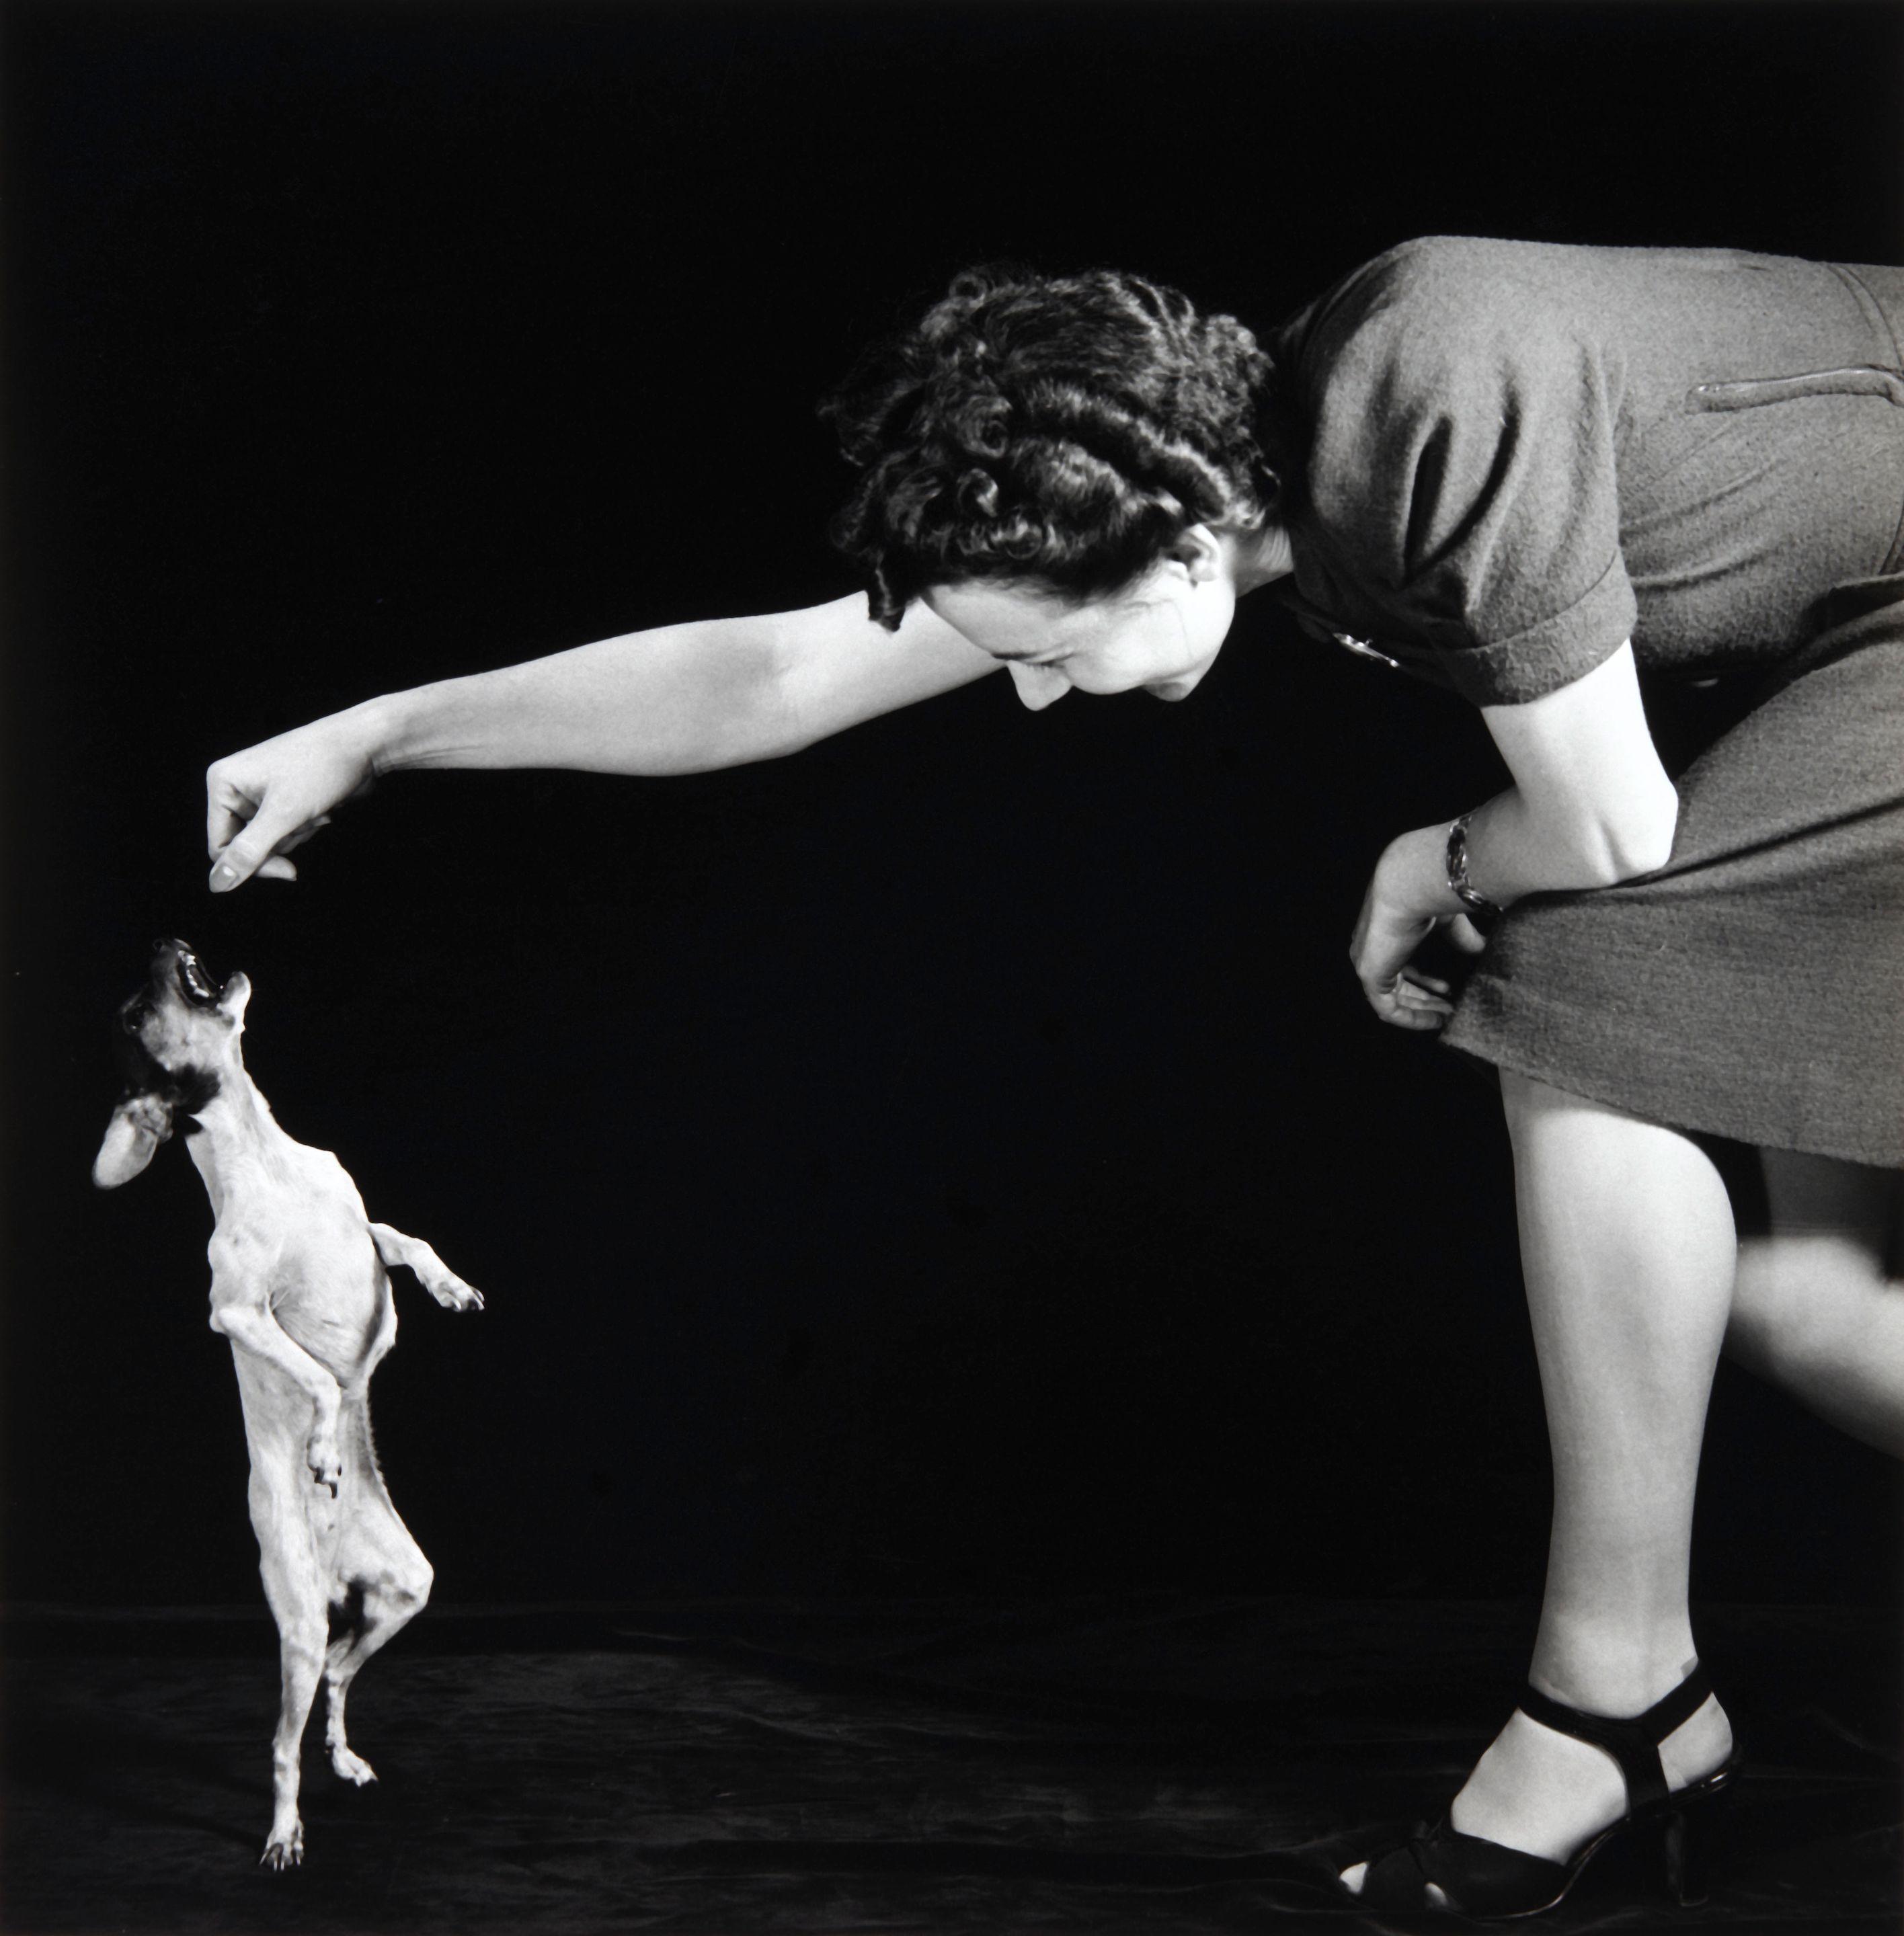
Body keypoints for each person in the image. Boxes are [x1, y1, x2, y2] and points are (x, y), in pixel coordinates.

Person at [203, 238, 1904, 1918]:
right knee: (1822, 1302)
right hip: (1829, 659)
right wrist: (374, 734)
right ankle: (1639, 1704)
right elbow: (777, 676)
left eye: (1051, 651)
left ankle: (1615, 1705)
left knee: (1582, 978)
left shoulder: (1435, 383)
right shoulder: (1179, 479)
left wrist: (1431, 860)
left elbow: (1611, 832)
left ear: (1173, 564)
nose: (1030, 694)